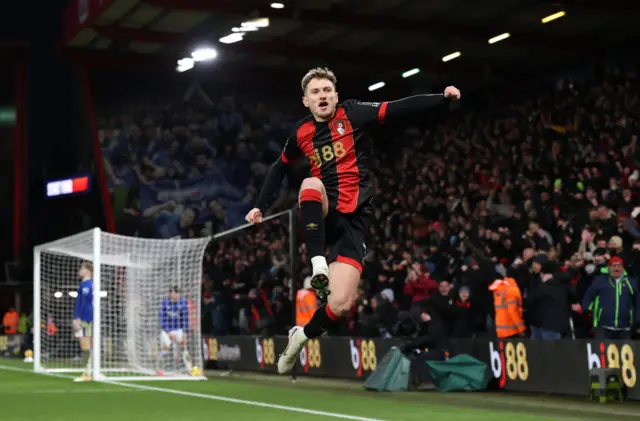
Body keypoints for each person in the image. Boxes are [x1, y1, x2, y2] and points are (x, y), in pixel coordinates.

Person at [245, 67, 461, 374]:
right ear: (306, 101)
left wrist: (441, 98)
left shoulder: (355, 113)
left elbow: (399, 107)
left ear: (336, 95)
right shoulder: (301, 132)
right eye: (315, 92)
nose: (322, 96)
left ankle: (301, 336)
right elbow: (278, 168)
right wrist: (259, 206)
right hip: (323, 208)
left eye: (326, 91)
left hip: (356, 218)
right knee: (310, 184)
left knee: (341, 305)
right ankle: (318, 261)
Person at [582, 257, 640, 339]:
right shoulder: (599, 281)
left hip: (625, 328)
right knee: (601, 351)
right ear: (609, 268)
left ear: (622, 268)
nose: (616, 268)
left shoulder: (631, 282)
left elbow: (637, 302)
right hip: (602, 327)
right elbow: (588, 296)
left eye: (619, 265)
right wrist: (590, 309)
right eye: (613, 266)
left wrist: (637, 320)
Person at [159, 286, 193, 373]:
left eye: (178, 292)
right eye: (175, 292)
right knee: (165, 347)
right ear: (170, 294)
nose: (177, 294)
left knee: (184, 346)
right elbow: (161, 320)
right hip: (167, 330)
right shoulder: (164, 303)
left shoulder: (183, 303)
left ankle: (189, 368)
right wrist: (168, 332)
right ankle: (161, 367)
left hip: (178, 329)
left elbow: (186, 319)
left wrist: (185, 332)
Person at [72, 262, 94, 382]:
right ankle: (88, 370)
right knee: (85, 344)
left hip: (86, 319)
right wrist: (76, 317)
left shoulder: (90, 285)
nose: (79, 270)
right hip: (82, 318)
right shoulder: (82, 285)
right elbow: (79, 304)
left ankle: (87, 372)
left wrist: (81, 319)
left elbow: (87, 305)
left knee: (86, 343)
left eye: (82, 268)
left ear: (88, 270)